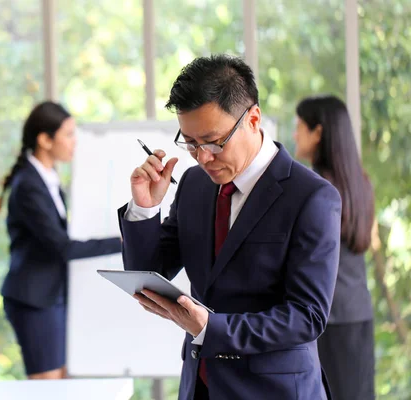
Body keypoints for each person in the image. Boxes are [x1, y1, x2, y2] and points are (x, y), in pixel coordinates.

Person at [118, 55, 342, 400]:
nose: (201, 156)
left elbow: (307, 316)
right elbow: (150, 274)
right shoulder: (194, 184)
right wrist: (145, 208)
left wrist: (213, 329)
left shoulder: (311, 197)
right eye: (189, 142)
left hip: (275, 390)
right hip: (201, 386)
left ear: (253, 119)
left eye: (213, 141)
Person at [0, 101, 122, 380]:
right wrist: (123, 241)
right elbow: (61, 246)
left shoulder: (46, 178)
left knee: (61, 381)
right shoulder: (29, 185)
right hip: (34, 299)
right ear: (44, 140)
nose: (74, 142)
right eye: (68, 134)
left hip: (50, 296)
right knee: (48, 385)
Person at [294, 95, 375, 400]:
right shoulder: (360, 184)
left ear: (318, 132)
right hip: (357, 312)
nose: (294, 134)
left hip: (326, 317)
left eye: (299, 126)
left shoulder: (315, 188)